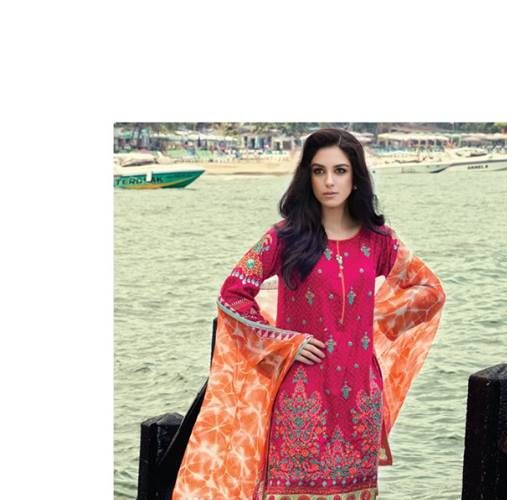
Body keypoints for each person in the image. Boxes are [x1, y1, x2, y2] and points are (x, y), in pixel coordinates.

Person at [172, 128, 446, 500]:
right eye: (319, 171)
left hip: (359, 399)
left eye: (340, 170)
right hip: (301, 398)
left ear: (356, 176)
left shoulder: (380, 240)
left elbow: (430, 291)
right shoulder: (284, 238)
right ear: (308, 177)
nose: (329, 181)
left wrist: (373, 321)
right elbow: (232, 295)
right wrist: (283, 342)